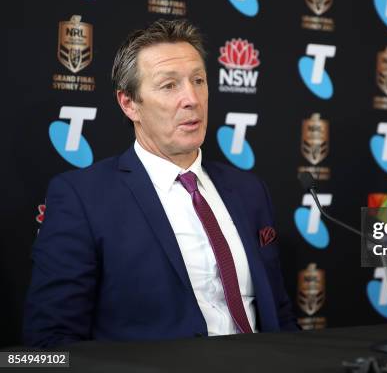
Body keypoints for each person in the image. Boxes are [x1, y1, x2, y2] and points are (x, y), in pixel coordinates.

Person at [24, 19, 297, 348]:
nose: (192, 98)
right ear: (129, 104)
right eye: (169, 86)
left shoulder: (250, 190)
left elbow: (279, 315)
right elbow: (48, 344)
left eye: (198, 80)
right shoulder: (82, 198)